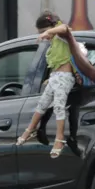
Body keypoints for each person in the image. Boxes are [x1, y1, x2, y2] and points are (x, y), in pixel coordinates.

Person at [17, 11, 78, 158]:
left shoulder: (62, 34)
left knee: (59, 107)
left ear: (51, 26)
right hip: (55, 77)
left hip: (64, 77)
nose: (46, 35)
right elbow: (56, 61)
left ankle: (59, 139)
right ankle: (30, 130)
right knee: (42, 104)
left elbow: (65, 29)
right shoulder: (55, 42)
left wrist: (50, 31)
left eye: (44, 31)